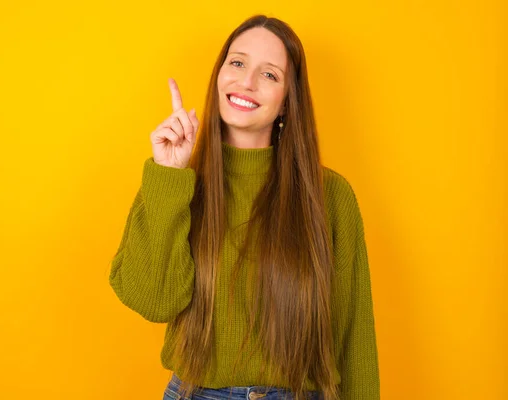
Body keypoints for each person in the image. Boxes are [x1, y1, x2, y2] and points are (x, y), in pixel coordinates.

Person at [109, 14, 380, 400]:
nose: (247, 82)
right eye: (237, 63)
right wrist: (169, 175)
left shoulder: (330, 196)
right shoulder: (177, 181)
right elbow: (154, 301)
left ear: (288, 101)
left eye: (269, 74)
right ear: (219, 75)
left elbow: (355, 338)